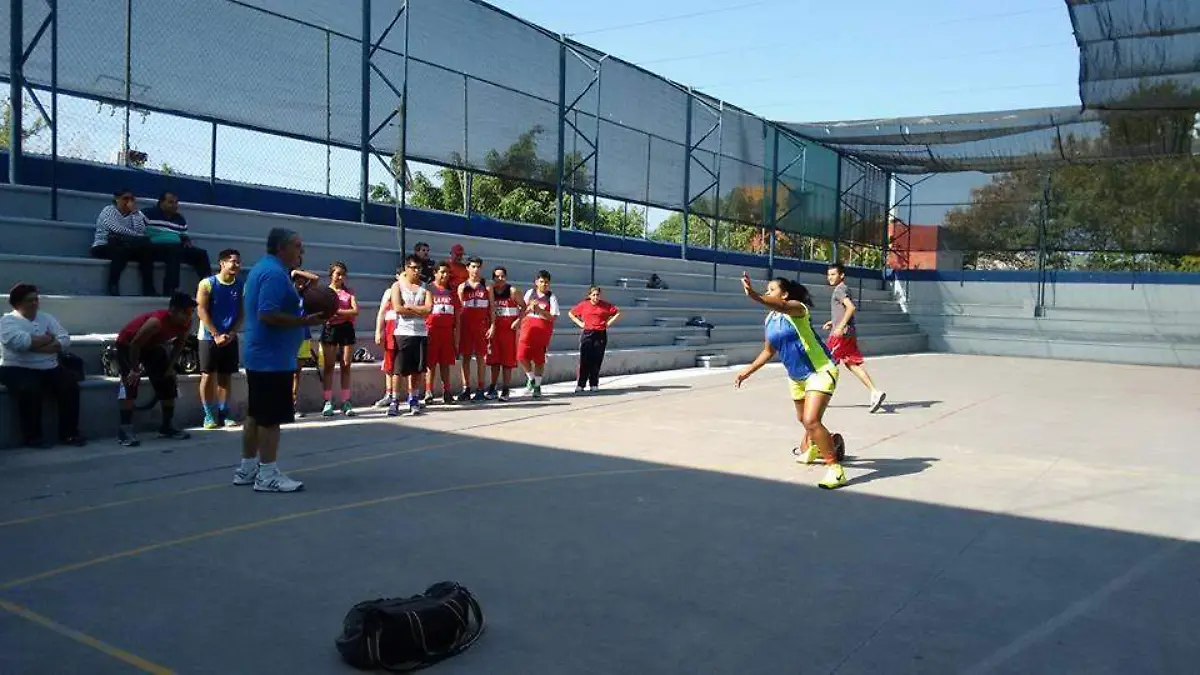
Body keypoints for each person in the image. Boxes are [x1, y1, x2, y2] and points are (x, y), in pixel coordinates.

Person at [734, 273, 848, 490]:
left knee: (811, 420)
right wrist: (747, 371)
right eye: (766, 290)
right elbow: (768, 351)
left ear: (784, 294)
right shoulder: (770, 320)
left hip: (820, 370)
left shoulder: (797, 309)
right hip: (796, 377)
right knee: (802, 419)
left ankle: (835, 469)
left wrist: (755, 295)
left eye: (772, 290)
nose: (768, 293)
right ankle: (816, 446)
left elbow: (782, 306)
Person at [237, 228, 328, 493]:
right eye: (297, 246)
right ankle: (267, 474)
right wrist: (305, 321)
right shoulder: (275, 274)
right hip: (271, 358)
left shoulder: (262, 269)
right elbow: (267, 314)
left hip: (262, 354)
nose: (302, 251)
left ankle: (247, 468)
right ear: (281, 248)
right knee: (270, 419)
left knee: (256, 414)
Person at [0, 283, 85, 448]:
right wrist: (48, 340)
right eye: (29, 300)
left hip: (49, 366)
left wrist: (37, 345)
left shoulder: (47, 318)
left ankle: (69, 434)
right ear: (17, 303)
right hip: (16, 367)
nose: (34, 303)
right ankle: (33, 437)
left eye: (36, 300)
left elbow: (64, 339)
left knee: (69, 386)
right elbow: (20, 343)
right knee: (29, 389)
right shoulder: (7, 321)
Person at [114, 292, 197, 446]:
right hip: (128, 345)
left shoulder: (187, 323)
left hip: (151, 346)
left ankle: (167, 426)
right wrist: (134, 370)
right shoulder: (156, 322)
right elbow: (135, 345)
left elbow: (179, 345)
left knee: (168, 381)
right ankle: (124, 429)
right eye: (184, 312)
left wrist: (170, 367)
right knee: (130, 383)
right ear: (172, 310)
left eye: (190, 312)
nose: (188, 316)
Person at [824, 263, 886, 413]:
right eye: (829, 274)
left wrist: (839, 327)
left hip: (840, 335)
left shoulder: (839, 290)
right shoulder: (845, 289)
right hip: (848, 333)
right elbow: (844, 310)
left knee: (825, 363)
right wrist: (833, 322)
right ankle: (875, 392)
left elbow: (851, 308)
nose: (830, 277)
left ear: (841, 275)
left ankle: (819, 397)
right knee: (852, 364)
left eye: (833, 274)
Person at [196, 249, 244, 429]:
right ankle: (208, 415)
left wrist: (232, 333)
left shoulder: (239, 285)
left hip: (230, 337)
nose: (236, 265)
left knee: (225, 377)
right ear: (222, 263)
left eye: (238, 262)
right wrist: (216, 334)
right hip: (208, 338)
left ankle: (224, 414)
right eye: (233, 261)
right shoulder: (206, 284)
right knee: (208, 375)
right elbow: (201, 310)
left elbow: (241, 313)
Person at [142, 191, 213, 296]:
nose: (174, 205)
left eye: (176, 203)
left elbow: (184, 236)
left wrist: (186, 242)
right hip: (155, 248)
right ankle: (170, 289)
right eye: (171, 202)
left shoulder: (179, 219)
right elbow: (138, 230)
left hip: (176, 247)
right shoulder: (147, 214)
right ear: (161, 202)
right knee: (174, 251)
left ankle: (207, 289)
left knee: (201, 254)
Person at [90, 188, 156, 297]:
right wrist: (138, 237)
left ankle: (148, 288)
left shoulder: (136, 213)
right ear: (117, 199)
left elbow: (141, 229)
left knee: (147, 250)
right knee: (121, 249)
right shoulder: (108, 210)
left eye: (132, 199)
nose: (129, 202)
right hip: (104, 245)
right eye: (125, 198)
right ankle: (113, 285)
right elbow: (116, 229)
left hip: (129, 246)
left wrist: (135, 213)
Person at [389, 255, 433, 417]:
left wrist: (411, 307)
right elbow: (398, 308)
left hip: (420, 333)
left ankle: (413, 399)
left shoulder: (425, 288)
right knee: (398, 370)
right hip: (403, 333)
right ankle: (394, 401)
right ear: (406, 268)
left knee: (417, 370)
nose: (416, 271)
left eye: (419, 268)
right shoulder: (397, 286)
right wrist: (418, 310)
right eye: (413, 268)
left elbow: (428, 310)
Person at [319, 261, 360, 417]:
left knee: (346, 365)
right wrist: (339, 312)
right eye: (337, 273)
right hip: (330, 330)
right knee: (329, 367)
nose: (340, 277)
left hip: (346, 330)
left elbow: (355, 311)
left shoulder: (349, 292)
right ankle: (328, 401)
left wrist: (338, 312)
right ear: (331, 275)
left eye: (343, 274)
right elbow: (323, 313)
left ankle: (346, 401)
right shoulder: (325, 292)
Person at [568, 286, 621, 393]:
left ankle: (594, 383)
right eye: (593, 295)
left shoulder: (605, 305)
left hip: (600, 333)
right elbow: (571, 313)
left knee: (597, 359)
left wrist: (608, 323)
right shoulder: (584, 305)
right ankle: (580, 384)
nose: (596, 297)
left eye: (597, 295)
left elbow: (617, 312)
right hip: (588, 332)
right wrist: (580, 323)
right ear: (589, 296)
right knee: (585, 359)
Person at [517, 270, 559, 399]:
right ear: (536, 282)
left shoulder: (551, 297)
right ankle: (531, 379)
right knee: (521, 355)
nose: (544, 284)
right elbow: (522, 308)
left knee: (539, 359)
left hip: (542, 331)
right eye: (541, 281)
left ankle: (537, 386)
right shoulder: (530, 293)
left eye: (546, 282)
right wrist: (529, 308)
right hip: (527, 329)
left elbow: (553, 317)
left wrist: (540, 310)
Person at [426, 262, 461, 406]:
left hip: (447, 332)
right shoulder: (428, 289)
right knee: (431, 364)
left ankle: (447, 391)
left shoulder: (452, 292)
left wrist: (456, 338)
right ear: (435, 273)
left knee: (445, 363)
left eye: (447, 272)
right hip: (431, 331)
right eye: (442, 272)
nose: (445, 275)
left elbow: (457, 316)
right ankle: (429, 392)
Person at [456, 256, 491, 402]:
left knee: (481, 358)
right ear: (467, 268)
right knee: (466, 357)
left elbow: (492, 307)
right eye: (473, 266)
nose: (476, 270)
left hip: (481, 326)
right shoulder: (462, 287)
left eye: (478, 267)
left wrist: (493, 325)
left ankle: (481, 388)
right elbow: (459, 310)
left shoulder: (486, 286)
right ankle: (466, 388)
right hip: (466, 326)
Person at [485, 266, 522, 401]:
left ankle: (506, 389)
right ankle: (492, 387)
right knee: (494, 361)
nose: (499, 279)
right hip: (495, 331)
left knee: (507, 362)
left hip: (508, 332)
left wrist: (518, 320)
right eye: (497, 276)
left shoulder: (512, 291)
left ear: (506, 277)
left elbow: (524, 307)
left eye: (502, 276)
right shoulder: (491, 291)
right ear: (493, 278)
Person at [373, 272, 402, 408]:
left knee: (406, 365)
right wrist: (379, 331)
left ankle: (410, 395)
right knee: (389, 363)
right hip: (391, 331)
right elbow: (382, 312)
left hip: (406, 332)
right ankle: (389, 394)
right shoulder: (389, 292)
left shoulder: (413, 291)